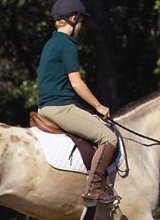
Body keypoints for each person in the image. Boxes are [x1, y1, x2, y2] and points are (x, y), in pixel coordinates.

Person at [37, 0, 118, 205]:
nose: (81, 27)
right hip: (60, 108)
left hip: (46, 107)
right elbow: (76, 83)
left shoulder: (51, 43)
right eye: (81, 21)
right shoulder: (66, 44)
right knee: (109, 138)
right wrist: (99, 106)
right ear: (74, 18)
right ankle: (94, 189)